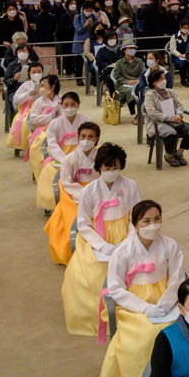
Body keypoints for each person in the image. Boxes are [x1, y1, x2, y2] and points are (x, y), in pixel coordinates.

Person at [99, 200, 187, 377]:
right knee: (143, 339)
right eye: (146, 221)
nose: (153, 224)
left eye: (157, 219)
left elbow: (177, 277)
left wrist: (166, 302)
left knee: (178, 335)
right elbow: (116, 288)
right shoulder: (123, 252)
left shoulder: (170, 245)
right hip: (134, 304)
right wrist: (145, 308)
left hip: (165, 298)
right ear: (136, 224)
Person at [63, 143, 141, 337]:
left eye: (116, 167)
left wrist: (129, 240)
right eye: (107, 168)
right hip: (97, 236)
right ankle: (96, 317)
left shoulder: (131, 185)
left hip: (125, 231)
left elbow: (137, 216)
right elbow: (83, 224)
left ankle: (129, 315)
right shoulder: (89, 191)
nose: (112, 172)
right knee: (88, 276)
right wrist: (102, 245)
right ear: (99, 168)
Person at [45, 121, 101, 264]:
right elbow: (66, 182)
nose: (86, 140)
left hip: (97, 190)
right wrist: (82, 193)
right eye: (83, 136)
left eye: (91, 137)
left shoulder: (101, 158)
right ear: (78, 138)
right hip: (73, 192)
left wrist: (94, 193)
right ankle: (70, 251)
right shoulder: (69, 159)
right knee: (70, 216)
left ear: (97, 139)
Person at [143, 68, 189, 167]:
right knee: (171, 133)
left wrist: (179, 114)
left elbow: (179, 105)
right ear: (153, 82)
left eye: (164, 79)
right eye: (160, 80)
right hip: (158, 123)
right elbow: (151, 112)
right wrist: (168, 118)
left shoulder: (170, 92)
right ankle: (169, 155)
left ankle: (179, 152)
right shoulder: (149, 95)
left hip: (174, 120)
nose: (163, 81)